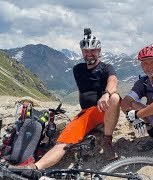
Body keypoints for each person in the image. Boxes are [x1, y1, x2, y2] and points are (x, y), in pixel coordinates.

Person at [13, 28, 121, 170]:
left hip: (103, 109)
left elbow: (113, 81)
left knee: (114, 98)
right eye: (86, 51)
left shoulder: (107, 67)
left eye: (93, 50)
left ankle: (107, 141)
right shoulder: (77, 69)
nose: (89, 54)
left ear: (99, 50)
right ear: (82, 52)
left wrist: (106, 93)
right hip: (86, 114)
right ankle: (34, 168)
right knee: (62, 144)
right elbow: (82, 90)